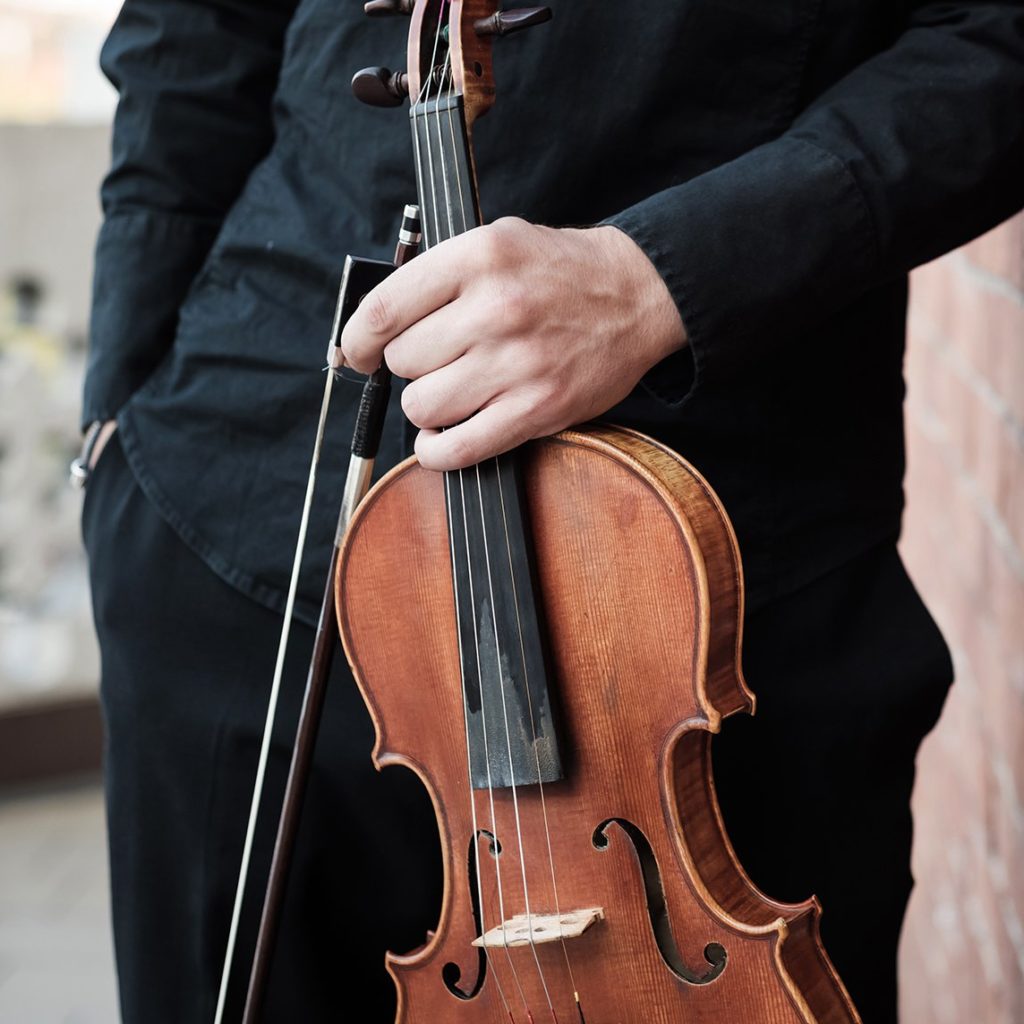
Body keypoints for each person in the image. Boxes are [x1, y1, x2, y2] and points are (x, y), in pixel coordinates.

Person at [80, 2, 1024, 1022]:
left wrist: (656, 277)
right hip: (243, 522)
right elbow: (192, 36)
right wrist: (110, 426)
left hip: (710, 615)